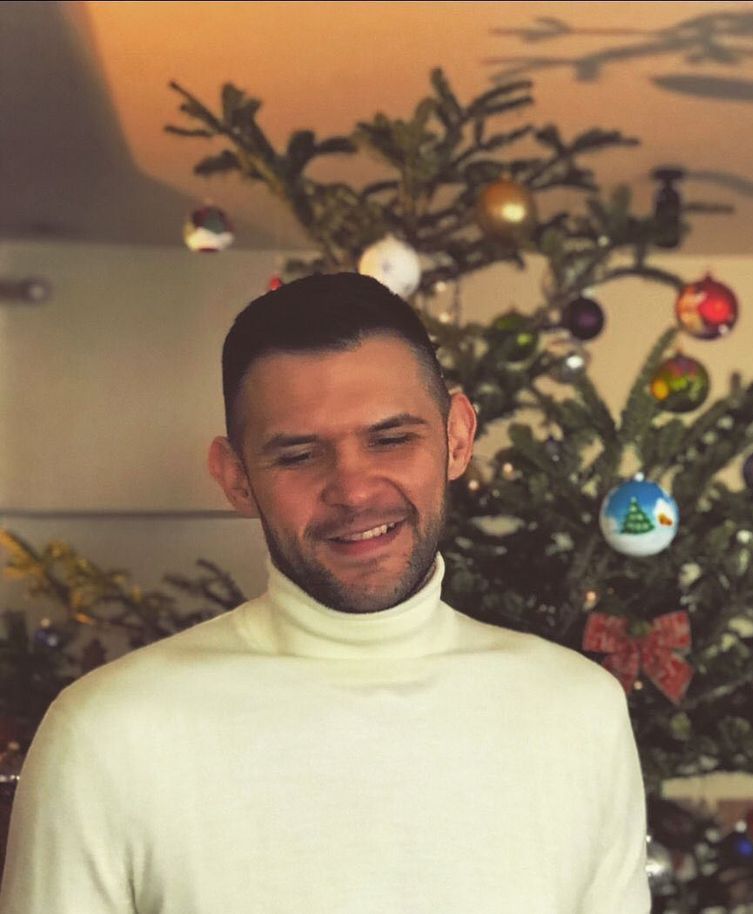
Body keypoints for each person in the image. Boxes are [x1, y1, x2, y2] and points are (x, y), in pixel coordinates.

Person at [0, 273, 650, 914]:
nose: (355, 490)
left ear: (456, 437)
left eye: (391, 439)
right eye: (298, 455)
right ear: (236, 478)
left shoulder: (578, 712)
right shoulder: (107, 734)